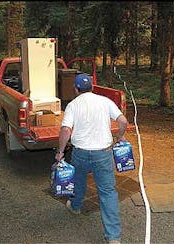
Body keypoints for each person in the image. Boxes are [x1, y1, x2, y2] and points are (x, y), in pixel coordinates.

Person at [55, 73, 128, 244]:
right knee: (107, 192)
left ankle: (75, 207)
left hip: (80, 153)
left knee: (79, 181)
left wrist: (60, 152)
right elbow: (123, 121)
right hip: (103, 153)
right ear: (92, 87)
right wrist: (119, 137)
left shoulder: (73, 105)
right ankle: (113, 237)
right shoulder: (105, 101)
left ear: (76, 89)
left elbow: (66, 130)